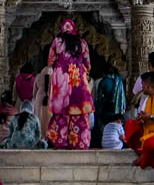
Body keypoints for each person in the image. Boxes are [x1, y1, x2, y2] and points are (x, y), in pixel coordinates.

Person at [45, 16, 93, 149]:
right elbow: (88, 64)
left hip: (61, 81)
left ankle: (59, 141)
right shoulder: (82, 42)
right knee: (80, 114)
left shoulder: (57, 41)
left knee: (61, 113)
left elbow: (50, 61)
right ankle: (80, 143)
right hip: (78, 81)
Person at [122, 70, 154, 170]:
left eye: (143, 85)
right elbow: (146, 116)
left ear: (148, 85)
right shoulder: (147, 99)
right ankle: (143, 152)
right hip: (148, 131)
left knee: (150, 144)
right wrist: (142, 118)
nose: (142, 87)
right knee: (130, 125)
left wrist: (150, 117)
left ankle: (145, 156)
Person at [94, 65, 126, 147]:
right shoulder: (119, 80)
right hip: (118, 110)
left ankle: (104, 142)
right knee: (118, 130)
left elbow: (99, 97)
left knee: (104, 128)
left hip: (106, 110)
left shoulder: (103, 81)